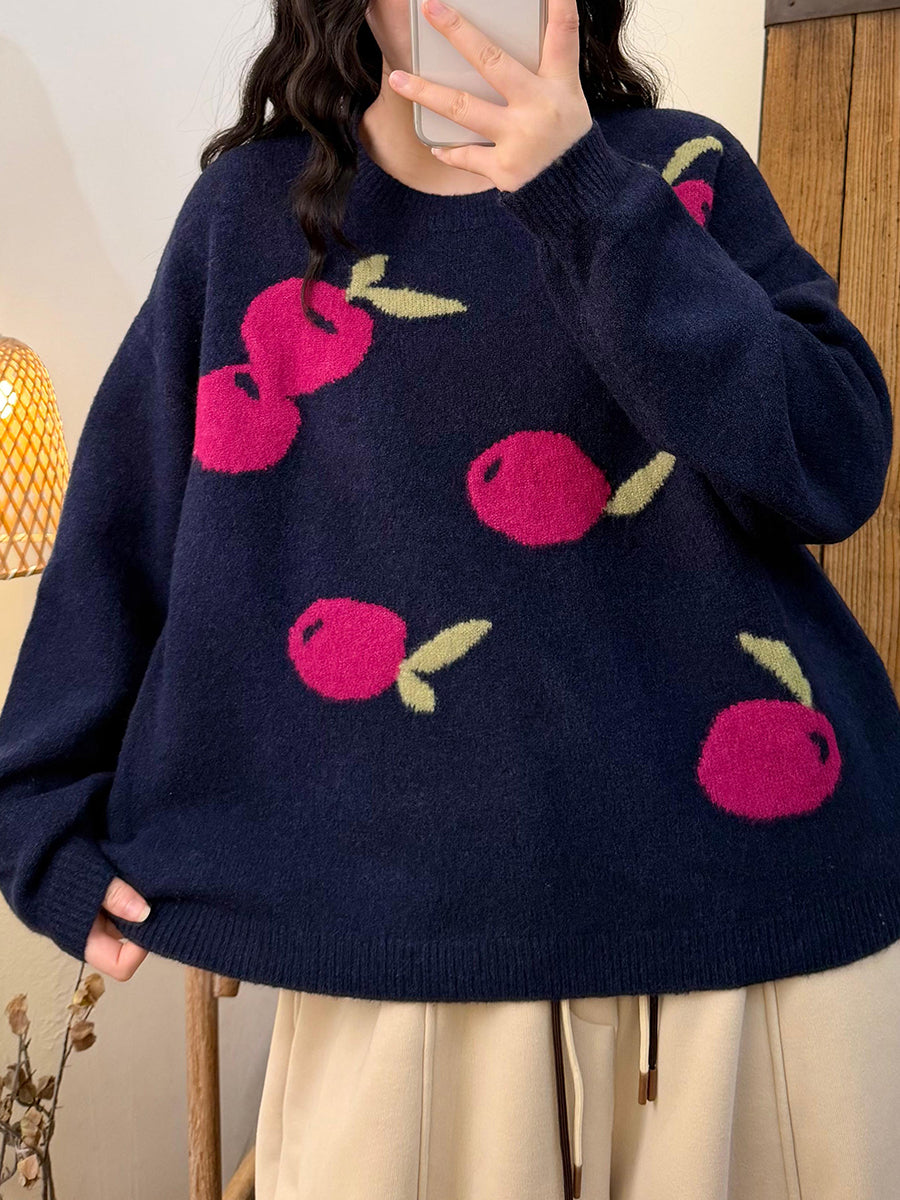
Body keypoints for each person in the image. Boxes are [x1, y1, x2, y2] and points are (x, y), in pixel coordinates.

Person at [1, 0, 899, 1195]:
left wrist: (588, 195)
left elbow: (833, 464)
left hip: (755, 931)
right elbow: (124, 525)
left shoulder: (681, 170)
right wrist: (37, 817)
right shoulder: (250, 220)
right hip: (400, 955)